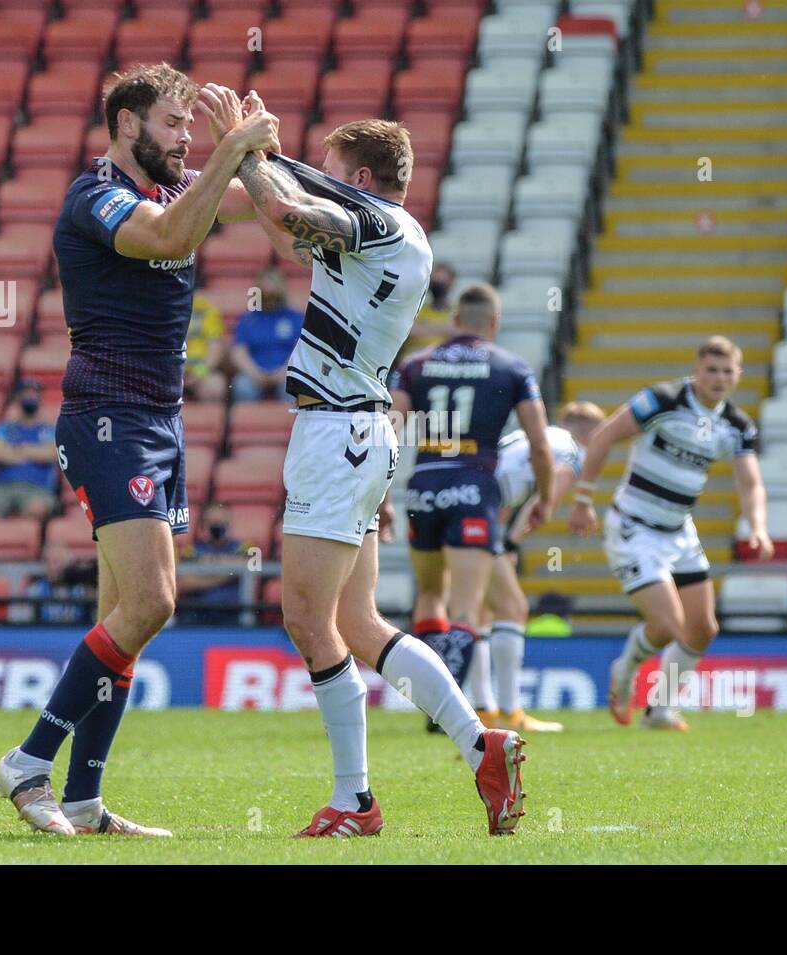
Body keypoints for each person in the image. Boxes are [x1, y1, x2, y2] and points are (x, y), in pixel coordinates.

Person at [0, 63, 281, 838]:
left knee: (122, 614)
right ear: (127, 126)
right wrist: (228, 154)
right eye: (173, 125)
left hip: (158, 419)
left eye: (192, 126)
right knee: (151, 603)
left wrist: (247, 149)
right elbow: (169, 237)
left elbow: (277, 220)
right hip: (107, 417)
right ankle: (28, 759)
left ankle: (83, 798)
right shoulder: (97, 196)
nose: (186, 139)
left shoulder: (171, 189)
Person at [231, 105, 529, 837]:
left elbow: (292, 211)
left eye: (334, 172)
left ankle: (354, 800)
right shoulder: (382, 237)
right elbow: (288, 227)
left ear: (361, 178)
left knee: (307, 618)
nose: (326, 183)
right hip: (356, 431)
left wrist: (241, 152)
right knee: (359, 623)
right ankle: (480, 743)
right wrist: (253, 161)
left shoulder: (383, 225)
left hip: (339, 432)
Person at [568, 337, 774, 731]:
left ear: (738, 376)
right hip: (635, 527)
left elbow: (751, 484)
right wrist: (583, 499)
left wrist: (758, 527)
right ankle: (624, 671)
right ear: (697, 370)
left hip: (679, 532)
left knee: (703, 628)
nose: (718, 378)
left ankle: (659, 709)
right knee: (666, 626)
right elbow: (605, 435)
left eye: (726, 371)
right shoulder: (662, 401)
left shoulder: (737, 426)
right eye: (711, 370)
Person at [388, 282, 556, 737]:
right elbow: (540, 445)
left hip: (423, 486)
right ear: (495, 324)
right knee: (466, 607)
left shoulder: (416, 365)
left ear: (456, 320)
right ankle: (446, 710)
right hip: (473, 488)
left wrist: (381, 496)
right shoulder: (511, 367)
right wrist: (543, 496)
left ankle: (428, 694)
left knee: (428, 594)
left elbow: (390, 428)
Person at [465, 400, 606, 733]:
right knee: (512, 608)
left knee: (481, 613)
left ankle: (483, 710)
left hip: (462, 500)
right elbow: (546, 500)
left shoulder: (532, 436)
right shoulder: (571, 452)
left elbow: (502, 482)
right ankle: (509, 712)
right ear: (593, 435)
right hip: (480, 515)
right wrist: (511, 543)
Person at [0, 380, 58, 521]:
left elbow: (51, 454)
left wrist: (15, 451)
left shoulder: (49, 430)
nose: (30, 398)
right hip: (2, 487)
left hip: (37, 488)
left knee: (36, 509)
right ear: (18, 398)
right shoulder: (4, 429)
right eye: (26, 394)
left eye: (33, 394)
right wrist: (34, 451)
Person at [229, 266, 303, 402]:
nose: (269, 297)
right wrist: (255, 374)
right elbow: (239, 352)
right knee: (242, 386)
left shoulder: (295, 317)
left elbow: (300, 352)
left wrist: (283, 372)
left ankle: (287, 423)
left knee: (293, 386)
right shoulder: (248, 318)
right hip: (253, 374)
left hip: (285, 373)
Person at [175, 501, 250, 624]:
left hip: (233, 612)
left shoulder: (245, 547)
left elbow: (250, 566)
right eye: (213, 522)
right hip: (198, 613)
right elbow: (185, 583)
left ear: (229, 522)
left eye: (221, 521)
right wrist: (230, 573)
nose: (218, 526)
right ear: (204, 524)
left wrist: (207, 566)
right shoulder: (191, 550)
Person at [21, 543, 95, 625]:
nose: (53, 567)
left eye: (58, 562)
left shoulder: (83, 590)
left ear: (69, 564)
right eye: (47, 562)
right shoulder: (34, 591)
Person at [399, 261, 457, 359]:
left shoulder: (457, 312)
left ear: (451, 282)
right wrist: (445, 328)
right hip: (412, 363)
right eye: (435, 280)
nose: (438, 283)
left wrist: (424, 327)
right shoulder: (416, 308)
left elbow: (461, 332)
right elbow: (408, 332)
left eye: (442, 280)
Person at [184, 294, 228, 401]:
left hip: (201, 372)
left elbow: (216, 348)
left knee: (215, 387)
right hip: (171, 373)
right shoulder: (164, 311)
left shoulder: (207, 312)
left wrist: (199, 373)